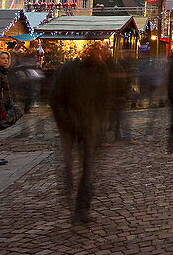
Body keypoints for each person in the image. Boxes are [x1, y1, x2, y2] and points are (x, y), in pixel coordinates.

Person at [50, 44, 112, 224]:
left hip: (89, 126)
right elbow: (55, 98)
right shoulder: (70, 69)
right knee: (70, 166)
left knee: (87, 168)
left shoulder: (102, 71)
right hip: (70, 125)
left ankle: (81, 208)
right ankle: (69, 192)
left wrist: (100, 123)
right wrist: (65, 121)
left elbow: (105, 99)